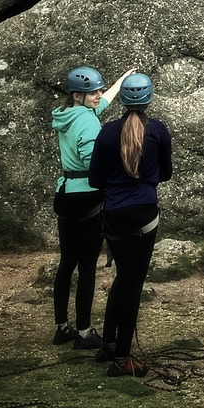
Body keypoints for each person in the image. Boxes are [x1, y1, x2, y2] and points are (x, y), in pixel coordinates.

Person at [88, 72, 172, 378]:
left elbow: (95, 179)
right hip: (144, 214)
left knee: (123, 277)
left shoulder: (107, 132)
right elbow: (165, 174)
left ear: (122, 100)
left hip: (113, 213)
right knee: (132, 282)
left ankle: (108, 343)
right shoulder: (158, 131)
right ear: (149, 99)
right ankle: (122, 357)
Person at [51, 64, 134, 348]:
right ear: (77, 95)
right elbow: (90, 158)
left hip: (65, 193)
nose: (98, 95)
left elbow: (103, 102)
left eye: (99, 89)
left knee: (66, 262)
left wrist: (122, 79)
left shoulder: (68, 114)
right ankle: (84, 333)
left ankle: (61, 327)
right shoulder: (87, 121)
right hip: (88, 196)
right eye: (92, 92)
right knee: (87, 265)